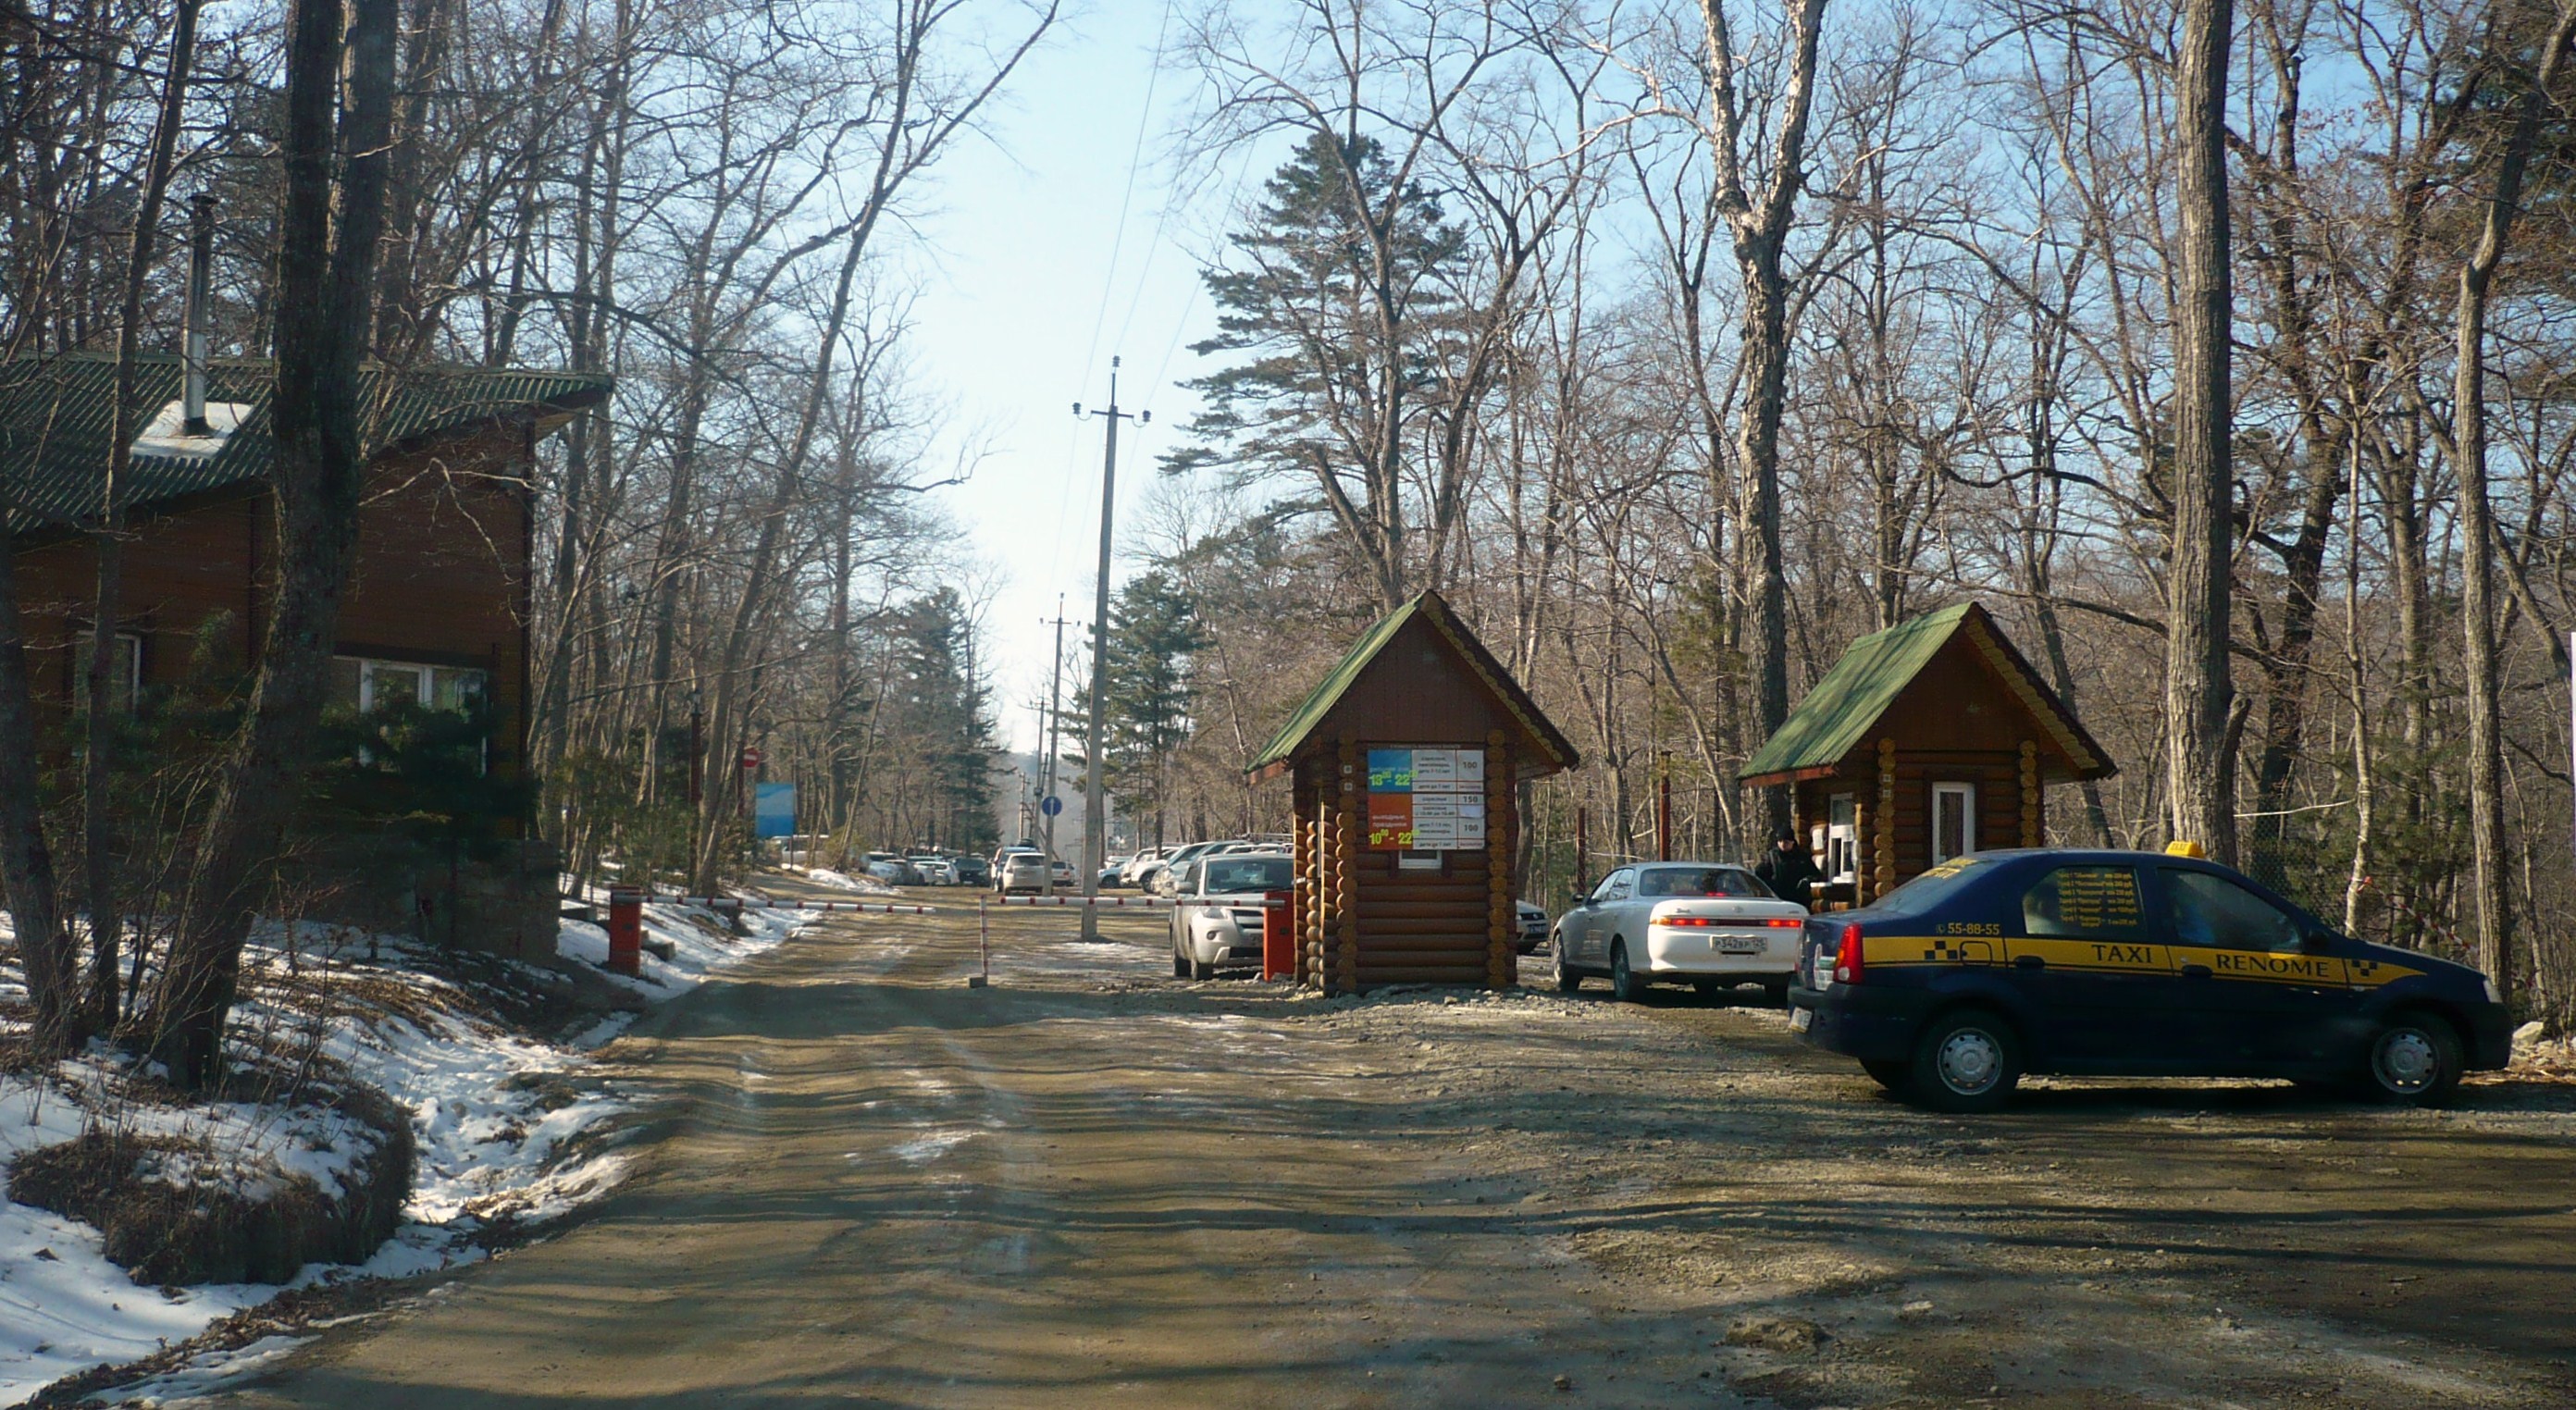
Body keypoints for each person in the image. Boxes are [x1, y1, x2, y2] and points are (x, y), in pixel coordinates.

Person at [1755, 825, 1824, 905]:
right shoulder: (1772, 857)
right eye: (1780, 841)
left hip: (1798, 898)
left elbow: (1816, 875)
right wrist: (1771, 886)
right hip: (1778, 898)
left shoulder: (1802, 857)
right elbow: (1758, 875)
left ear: (1792, 842)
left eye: (1786, 842)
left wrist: (1807, 880)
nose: (1783, 844)